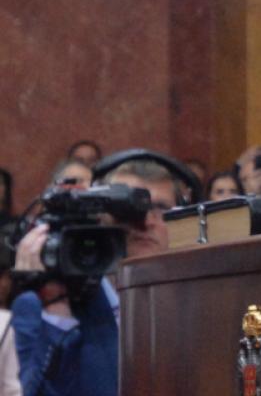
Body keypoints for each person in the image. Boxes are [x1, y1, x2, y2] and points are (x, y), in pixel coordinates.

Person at [9, 160, 177, 396]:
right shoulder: (40, 307)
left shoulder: (195, 302)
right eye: (130, 210)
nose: (147, 221)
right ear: (101, 218)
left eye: (160, 209)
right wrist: (58, 310)